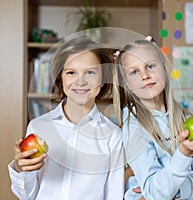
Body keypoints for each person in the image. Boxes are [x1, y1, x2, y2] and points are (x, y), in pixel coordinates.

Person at [8, 36, 124, 200]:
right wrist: (22, 170)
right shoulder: (38, 127)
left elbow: (114, 196)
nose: (80, 81)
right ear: (61, 79)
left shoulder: (113, 136)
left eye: (90, 73)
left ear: (103, 80)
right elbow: (27, 196)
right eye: (71, 73)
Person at [113, 36, 193, 200]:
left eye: (151, 66)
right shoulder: (132, 124)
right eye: (134, 72)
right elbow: (156, 193)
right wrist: (184, 153)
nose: (145, 75)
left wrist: (175, 191)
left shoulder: (184, 116)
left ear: (164, 68)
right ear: (127, 84)